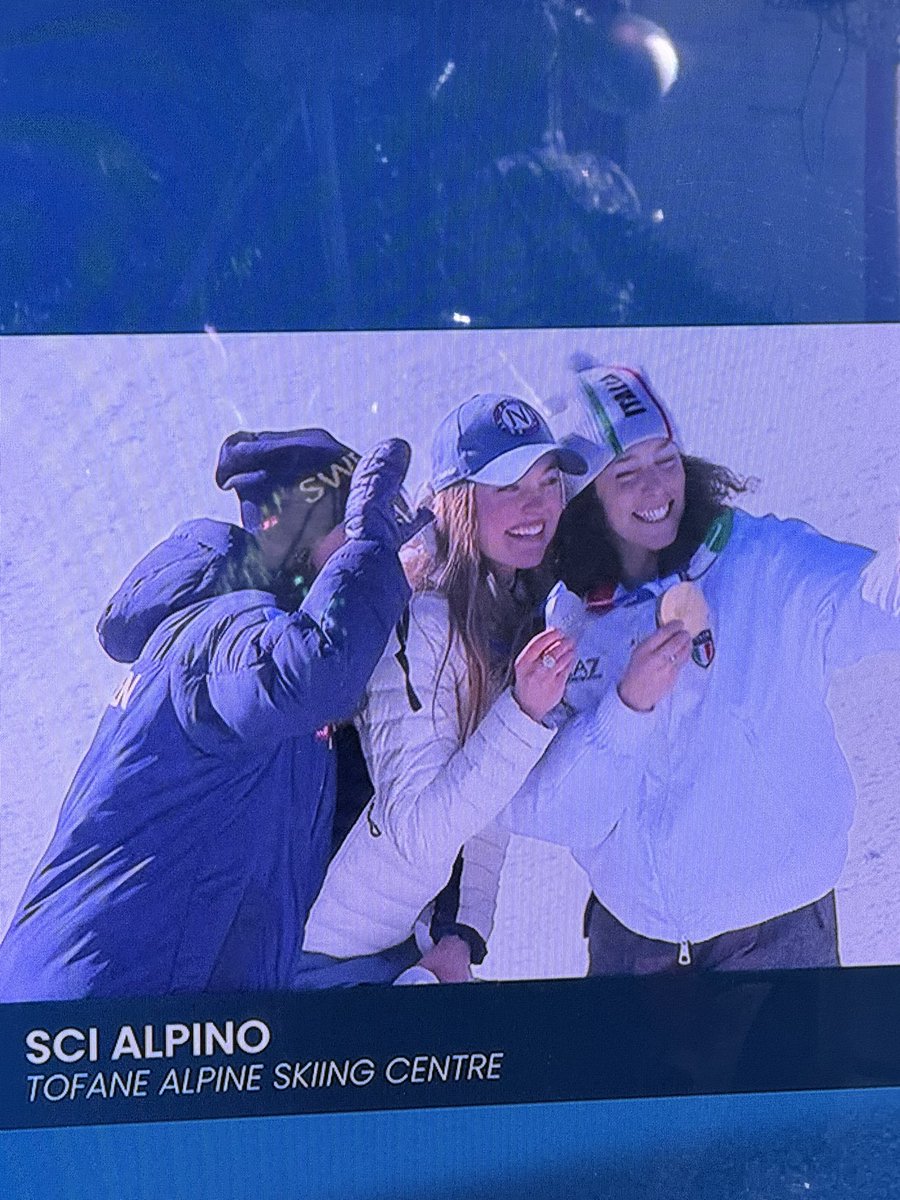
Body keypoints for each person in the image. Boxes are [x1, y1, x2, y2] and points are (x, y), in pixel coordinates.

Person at [499, 359, 900, 975]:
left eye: (667, 460)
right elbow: (552, 814)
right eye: (625, 473)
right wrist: (629, 707)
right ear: (584, 499)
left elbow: (867, 598)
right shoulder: (567, 618)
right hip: (632, 945)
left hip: (778, 943)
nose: (656, 490)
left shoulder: (765, 561)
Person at [0, 431, 425, 999]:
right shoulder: (222, 631)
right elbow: (312, 671)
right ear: (299, 538)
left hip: (135, 1009)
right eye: (346, 532)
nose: (373, 550)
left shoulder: (259, 682)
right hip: (107, 1010)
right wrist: (370, 549)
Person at [302, 392, 689, 982]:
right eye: (507, 486)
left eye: (548, 480)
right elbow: (417, 828)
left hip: (405, 935)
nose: (536, 505)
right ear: (458, 500)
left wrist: (460, 935)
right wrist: (524, 714)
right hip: (334, 943)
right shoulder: (423, 617)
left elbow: (491, 801)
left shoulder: (509, 599)